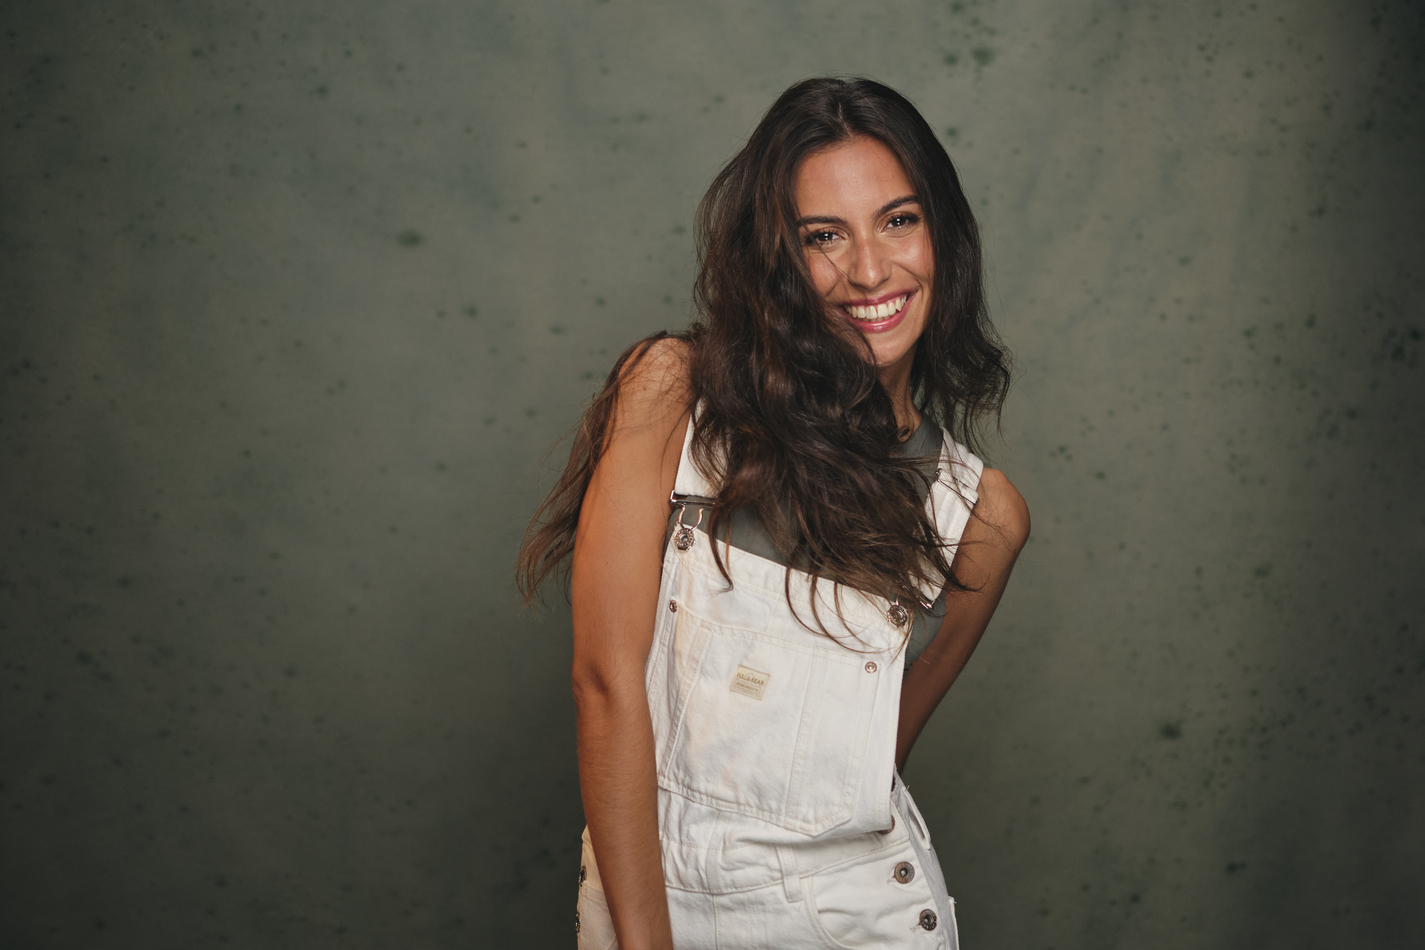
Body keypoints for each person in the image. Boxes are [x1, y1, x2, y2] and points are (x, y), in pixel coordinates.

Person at [518, 77, 1030, 950]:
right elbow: (604, 684)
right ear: (776, 258)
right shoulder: (671, 394)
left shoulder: (981, 515)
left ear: (943, 234)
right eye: (822, 236)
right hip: (657, 909)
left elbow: (868, 769)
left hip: (861, 922)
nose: (869, 270)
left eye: (898, 220)